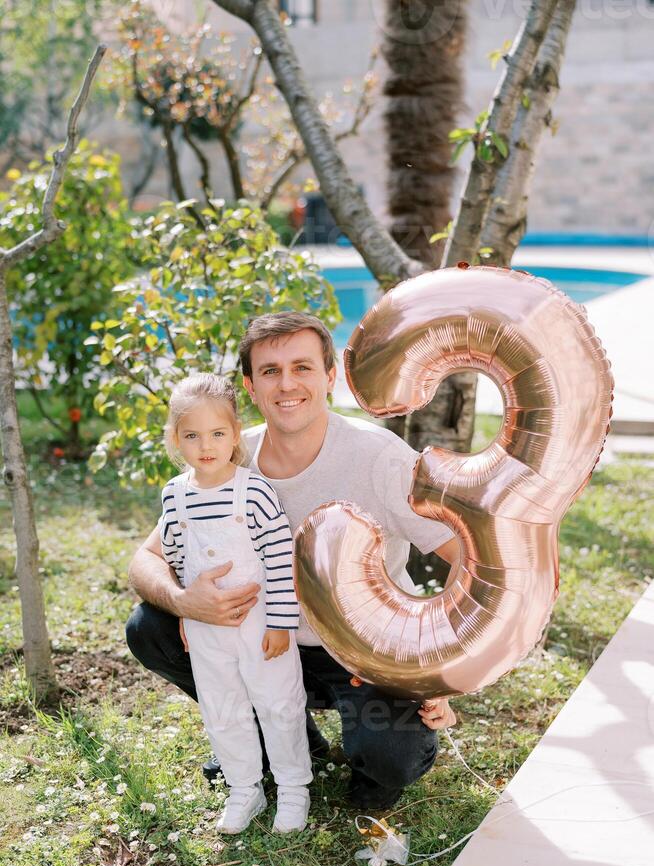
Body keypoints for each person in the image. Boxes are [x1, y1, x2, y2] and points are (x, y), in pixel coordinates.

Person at [126, 312, 458, 811]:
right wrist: (182, 600)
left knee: (391, 756)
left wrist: (444, 672)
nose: (287, 384)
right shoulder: (230, 455)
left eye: (302, 367)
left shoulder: (379, 457)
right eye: (270, 371)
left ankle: (369, 762)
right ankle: (277, 733)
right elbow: (145, 560)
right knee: (148, 626)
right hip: (262, 644)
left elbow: (471, 561)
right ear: (250, 387)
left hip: (363, 655)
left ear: (329, 377)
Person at [159, 373, 312, 834]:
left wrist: (282, 622)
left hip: (261, 621)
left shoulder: (254, 491)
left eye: (217, 433)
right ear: (176, 439)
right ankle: (245, 788)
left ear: (233, 434)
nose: (206, 445)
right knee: (222, 708)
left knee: (278, 703)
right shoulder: (175, 495)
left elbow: (282, 558)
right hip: (208, 628)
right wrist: (187, 608)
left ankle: (292, 788)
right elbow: (175, 556)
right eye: (192, 435)